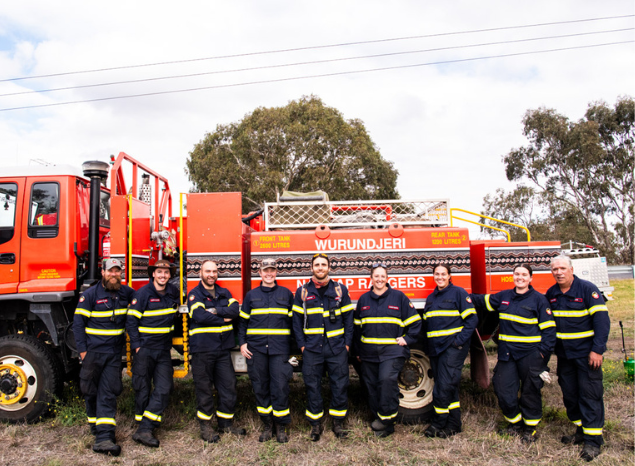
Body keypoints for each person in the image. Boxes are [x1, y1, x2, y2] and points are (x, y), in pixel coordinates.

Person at [471, 264, 556, 443]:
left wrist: (542, 356)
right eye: (517, 274)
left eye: (524, 275)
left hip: (530, 354)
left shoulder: (539, 300)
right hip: (508, 355)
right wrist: (458, 294)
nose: (520, 277)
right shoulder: (504, 297)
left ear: (530, 278)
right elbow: (480, 300)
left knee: (530, 391)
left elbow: (549, 331)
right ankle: (515, 423)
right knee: (502, 388)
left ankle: (530, 428)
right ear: (513, 276)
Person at [547, 255, 610, 462]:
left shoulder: (587, 289)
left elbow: (601, 321)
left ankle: (593, 442)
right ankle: (581, 431)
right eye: (555, 269)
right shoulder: (552, 293)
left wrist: (597, 350)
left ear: (571, 269)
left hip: (587, 355)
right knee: (570, 396)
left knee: (589, 395)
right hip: (565, 356)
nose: (559, 272)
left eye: (562, 268)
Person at [73, 258, 134, 456]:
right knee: (90, 391)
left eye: (117, 272)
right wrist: (83, 352)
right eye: (111, 271)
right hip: (93, 353)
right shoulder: (90, 295)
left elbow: (143, 298)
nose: (114, 275)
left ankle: (104, 437)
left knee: (108, 392)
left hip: (113, 354)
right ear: (103, 272)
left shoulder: (126, 293)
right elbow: (78, 324)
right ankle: (95, 426)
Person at [354, 263, 422, 438]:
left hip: (392, 352)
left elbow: (415, 322)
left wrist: (406, 339)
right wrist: (358, 351)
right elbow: (357, 329)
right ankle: (379, 418)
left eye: (382, 276)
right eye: (376, 276)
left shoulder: (399, 297)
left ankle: (388, 422)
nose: (379, 279)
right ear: (371, 279)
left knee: (386, 381)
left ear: (387, 278)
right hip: (368, 353)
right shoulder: (363, 300)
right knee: (370, 385)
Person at [292, 253, 355, 441]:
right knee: (312, 386)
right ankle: (315, 425)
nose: (320, 268)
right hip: (312, 349)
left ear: (329, 267)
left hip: (337, 349)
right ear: (312, 268)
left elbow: (349, 320)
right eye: (317, 265)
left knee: (340, 385)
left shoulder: (340, 290)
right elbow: (296, 322)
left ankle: (338, 423)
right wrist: (302, 346)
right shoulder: (302, 291)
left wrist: (347, 345)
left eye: (323, 264)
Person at [187, 260, 246, 442]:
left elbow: (234, 309)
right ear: (200, 273)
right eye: (208, 271)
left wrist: (215, 311)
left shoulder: (223, 292)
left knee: (228, 386)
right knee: (204, 389)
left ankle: (225, 424)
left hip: (222, 350)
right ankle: (205, 427)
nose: (211, 274)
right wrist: (223, 318)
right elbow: (199, 315)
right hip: (203, 350)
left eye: (214, 271)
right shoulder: (194, 294)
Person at [239, 258, 294, 443]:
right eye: (265, 270)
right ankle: (267, 425)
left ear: (276, 272)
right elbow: (243, 322)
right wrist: (242, 343)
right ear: (260, 273)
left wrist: (293, 347)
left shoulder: (286, 294)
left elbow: (294, 323)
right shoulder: (251, 295)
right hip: (257, 349)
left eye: (272, 270)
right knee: (260, 387)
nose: (269, 273)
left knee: (280, 388)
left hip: (280, 350)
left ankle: (280, 427)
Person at [126, 259, 179, 448]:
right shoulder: (142, 294)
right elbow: (131, 321)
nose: (163, 275)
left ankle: (144, 428)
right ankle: (144, 427)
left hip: (163, 349)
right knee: (142, 388)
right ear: (153, 274)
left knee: (165, 388)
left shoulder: (173, 292)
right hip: (145, 349)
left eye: (166, 272)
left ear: (170, 275)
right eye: (159, 272)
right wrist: (138, 346)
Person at [422, 263, 477, 438]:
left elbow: (472, 320)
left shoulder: (459, 293)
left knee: (443, 387)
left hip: (452, 348)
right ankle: (454, 424)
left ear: (449, 275)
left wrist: (459, 341)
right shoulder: (431, 298)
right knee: (449, 386)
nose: (440, 277)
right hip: (436, 349)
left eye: (443, 274)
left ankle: (438, 424)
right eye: (437, 274)